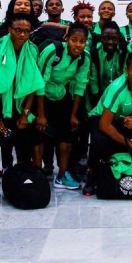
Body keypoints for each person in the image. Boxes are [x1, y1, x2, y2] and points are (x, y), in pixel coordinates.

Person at [0, 13, 45, 200]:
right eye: (18, 30)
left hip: (21, 102)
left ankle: (20, 179)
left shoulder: (32, 49)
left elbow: (33, 83)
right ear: (10, 29)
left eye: (26, 31)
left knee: (24, 141)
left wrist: (25, 114)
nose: (22, 34)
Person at [83, 51, 132, 196]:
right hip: (102, 118)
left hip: (125, 118)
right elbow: (104, 125)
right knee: (99, 139)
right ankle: (92, 172)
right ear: (127, 70)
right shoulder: (117, 88)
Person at [36, 22, 91, 190]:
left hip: (62, 95)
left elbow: (80, 86)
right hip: (42, 96)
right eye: (74, 40)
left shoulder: (85, 58)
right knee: (38, 135)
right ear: (67, 39)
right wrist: (41, 114)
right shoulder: (53, 50)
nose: (78, 45)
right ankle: (37, 175)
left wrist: (73, 115)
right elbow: (39, 82)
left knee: (67, 136)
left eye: (82, 41)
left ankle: (62, 176)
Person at [89, 21, 127, 104]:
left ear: (118, 38)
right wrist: (98, 101)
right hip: (100, 94)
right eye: (106, 38)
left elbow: (126, 76)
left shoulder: (124, 52)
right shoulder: (95, 53)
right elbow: (93, 80)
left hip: (120, 93)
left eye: (114, 39)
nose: (110, 42)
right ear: (101, 38)